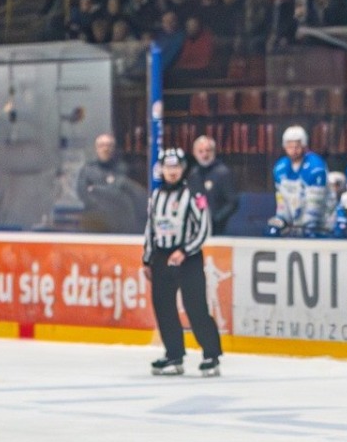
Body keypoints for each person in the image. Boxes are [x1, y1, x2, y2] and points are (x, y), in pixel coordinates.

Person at [144, 148, 222, 377]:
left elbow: (204, 227)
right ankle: (174, 354)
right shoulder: (156, 196)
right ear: (162, 169)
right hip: (161, 256)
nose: (172, 172)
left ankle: (211, 355)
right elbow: (150, 228)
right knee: (164, 306)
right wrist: (148, 258)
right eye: (168, 167)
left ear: (183, 169)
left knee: (195, 306)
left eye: (176, 167)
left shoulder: (193, 193)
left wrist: (185, 250)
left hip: (188, 259)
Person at [75, 134, 145, 233]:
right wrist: (111, 189)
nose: (105, 149)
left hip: (120, 225)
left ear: (114, 148)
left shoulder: (125, 170)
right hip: (94, 223)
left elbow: (130, 194)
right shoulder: (87, 170)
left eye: (109, 145)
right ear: (96, 149)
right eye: (102, 145)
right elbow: (83, 193)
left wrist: (96, 189)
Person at [271, 125, 330, 236]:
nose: (294, 150)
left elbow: (314, 206)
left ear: (304, 146)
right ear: (284, 146)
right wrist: (281, 220)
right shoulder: (280, 168)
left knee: (310, 234)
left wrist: (305, 228)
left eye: (297, 146)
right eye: (290, 146)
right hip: (296, 225)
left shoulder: (315, 166)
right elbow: (282, 201)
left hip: (321, 224)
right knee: (272, 231)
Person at [190, 136, 240, 235]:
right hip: (195, 228)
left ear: (214, 152)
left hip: (217, 229)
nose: (204, 154)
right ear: (194, 153)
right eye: (200, 151)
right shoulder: (193, 174)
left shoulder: (223, 173)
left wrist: (215, 219)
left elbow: (233, 202)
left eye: (208, 151)